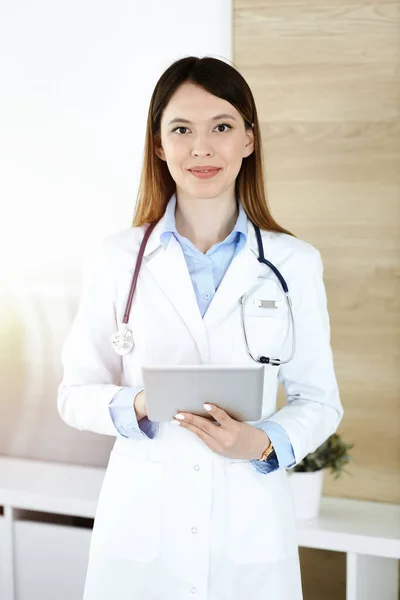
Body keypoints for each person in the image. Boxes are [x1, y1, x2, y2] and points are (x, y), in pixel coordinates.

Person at [57, 56, 343, 600]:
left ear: (249, 141)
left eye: (222, 127)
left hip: (250, 531)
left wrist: (261, 443)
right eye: (182, 129)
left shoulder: (294, 263)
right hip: (142, 534)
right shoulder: (119, 258)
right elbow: (74, 395)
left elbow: (320, 400)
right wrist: (142, 402)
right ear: (159, 146)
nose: (202, 148)